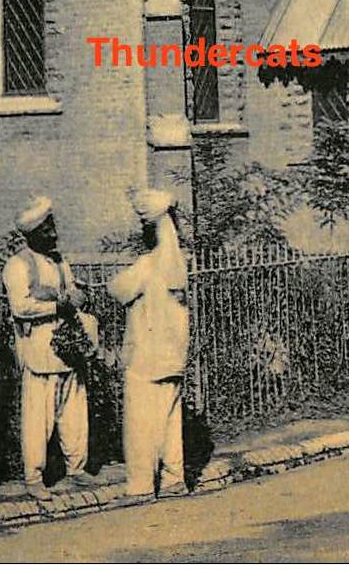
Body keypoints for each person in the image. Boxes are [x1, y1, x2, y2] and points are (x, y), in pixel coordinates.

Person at [1, 197, 98, 500]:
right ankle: (34, 477)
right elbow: (20, 307)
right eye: (46, 229)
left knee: (73, 411)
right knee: (37, 418)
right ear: (31, 234)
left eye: (52, 227)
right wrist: (58, 304)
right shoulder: (17, 265)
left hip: (68, 348)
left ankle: (76, 468)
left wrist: (77, 295)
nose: (53, 234)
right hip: (40, 349)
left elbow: (69, 292)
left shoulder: (59, 261)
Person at [109, 188, 191, 499]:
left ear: (151, 229)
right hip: (173, 356)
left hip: (146, 357)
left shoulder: (148, 264)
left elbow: (117, 290)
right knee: (170, 422)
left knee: (141, 422)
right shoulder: (177, 263)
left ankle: (141, 486)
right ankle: (174, 479)